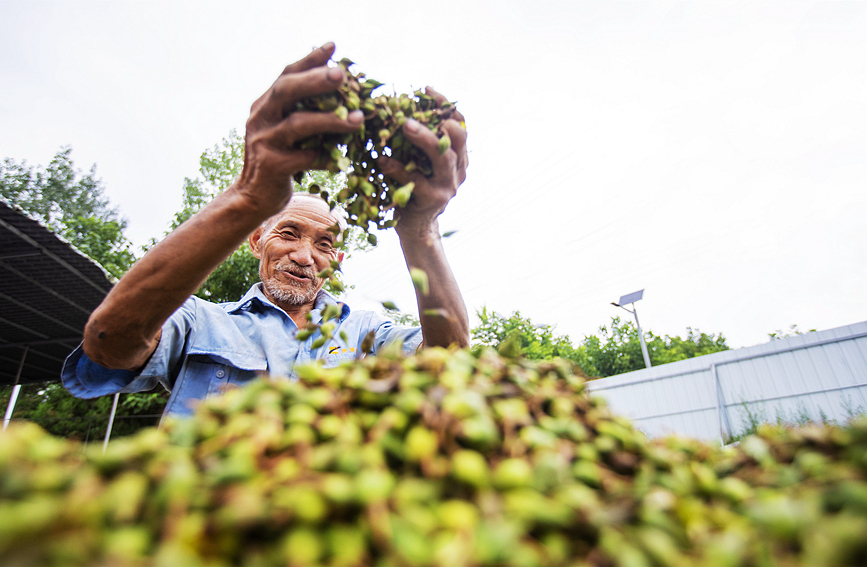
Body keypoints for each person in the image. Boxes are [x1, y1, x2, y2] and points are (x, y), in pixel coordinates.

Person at [61, 42, 469, 418]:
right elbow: (109, 344)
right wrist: (249, 196)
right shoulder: (201, 321)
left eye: (324, 244)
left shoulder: (366, 332)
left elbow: (447, 363)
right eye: (289, 234)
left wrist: (421, 230)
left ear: (336, 262)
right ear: (257, 240)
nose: (304, 256)